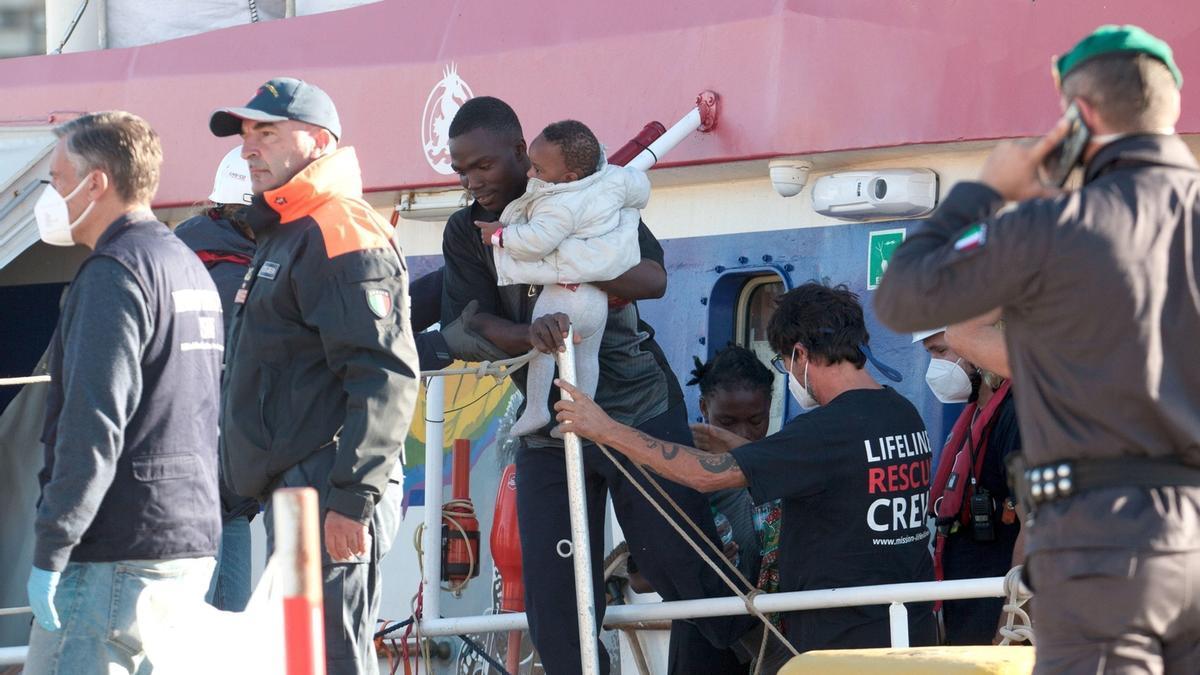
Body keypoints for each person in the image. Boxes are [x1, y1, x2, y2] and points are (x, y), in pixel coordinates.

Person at [874, 25, 1200, 673]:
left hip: (1099, 551)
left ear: (1080, 118)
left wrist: (986, 191)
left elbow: (902, 296)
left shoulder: (1054, 228)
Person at [442, 95, 752, 675]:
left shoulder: (595, 195)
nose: (471, 181)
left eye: (482, 166)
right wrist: (528, 333)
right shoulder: (469, 231)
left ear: (520, 153)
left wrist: (564, 259)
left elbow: (653, 278)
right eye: (460, 170)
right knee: (554, 599)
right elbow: (467, 324)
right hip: (550, 421)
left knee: (679, 568)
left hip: (637, 408)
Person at [554, 282, 938, 656]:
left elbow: (707, 476)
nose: (789, 374)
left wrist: (608, 430)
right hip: (910, 636)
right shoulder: (902, 415)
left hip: (842, 648)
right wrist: (742, 448)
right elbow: (842, 471)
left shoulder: (825, 431)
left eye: (784, 362)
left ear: (801, 355)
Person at [210, 77, 419, 674]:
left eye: (266, 133)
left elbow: (383, 372)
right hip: (302, 491)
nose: (248, 148)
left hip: (331, 487)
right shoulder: (291, 229)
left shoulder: (337, 228)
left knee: (331, 660)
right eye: (246, 134)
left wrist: (352, 499)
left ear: (319, 141)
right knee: (304, 661)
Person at [25, 111, 223, 673]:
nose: (52, 195)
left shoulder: (114, 272)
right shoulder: (184, 264)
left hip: (113, 554)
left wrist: (52, 546)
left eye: (58, 180)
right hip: (187, 538)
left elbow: (92, 425)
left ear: (96, 183)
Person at [476, 119, 647, 437]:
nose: (530, 174)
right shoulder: (609, 186)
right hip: (595, 302)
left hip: (563, 296)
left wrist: (500, 236)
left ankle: (537, 409)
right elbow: (637, 187)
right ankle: (581, 418)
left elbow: (537, 241)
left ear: (569, 178)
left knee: (543, 348)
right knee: (587, 359)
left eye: (538, 170)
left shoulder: (560, 203)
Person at [173, 145, 258, 613]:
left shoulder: (182, 256)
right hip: (218, 490)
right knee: (217, 639)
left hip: (207, 488)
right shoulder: (241, 278)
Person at [916, 328, 1023, 645]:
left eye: (940, 351)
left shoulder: (1017, 415)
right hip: (964, 608)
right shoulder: (975, 413)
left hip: (995, 617)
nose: (934, 367)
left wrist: (1010, 630)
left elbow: (1038, 527)